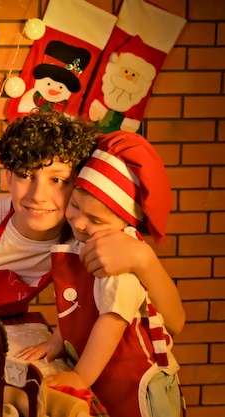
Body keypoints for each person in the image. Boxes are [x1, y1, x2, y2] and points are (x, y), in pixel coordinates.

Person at [0, 109, 185, 361]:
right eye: (25, 175)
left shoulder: (79, 233)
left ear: (79, 184)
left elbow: (175, 322)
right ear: (9, 178)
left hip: (9, 324)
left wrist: (143, 258)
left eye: (57, 180)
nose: (38, 196)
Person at [18, 130, 183, 417]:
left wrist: (81, 377)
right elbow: (77, 309)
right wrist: (57, 341)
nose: (79, 223)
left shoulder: (120, 263)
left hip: (133, 383)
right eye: (76, 206)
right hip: (101, 373)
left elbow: (111, 323)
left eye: (96, 220)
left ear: (124, 222)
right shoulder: (81, 241)